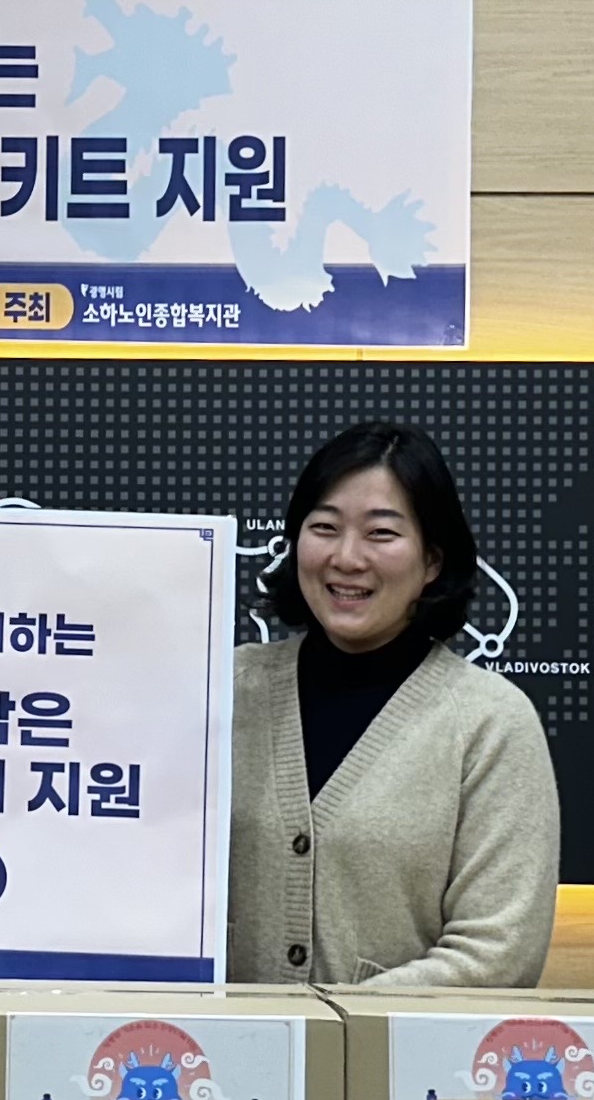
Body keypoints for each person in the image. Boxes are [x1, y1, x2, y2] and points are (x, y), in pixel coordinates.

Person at [226, 421, 558, 988]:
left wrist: (329, 1023)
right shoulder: (224, 688)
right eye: (324, 527)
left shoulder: (491, 723)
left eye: (381, 534)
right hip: (209, 1044)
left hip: (393, 1048)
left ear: (432, 560)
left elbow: (497, 955)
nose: (347, 557)